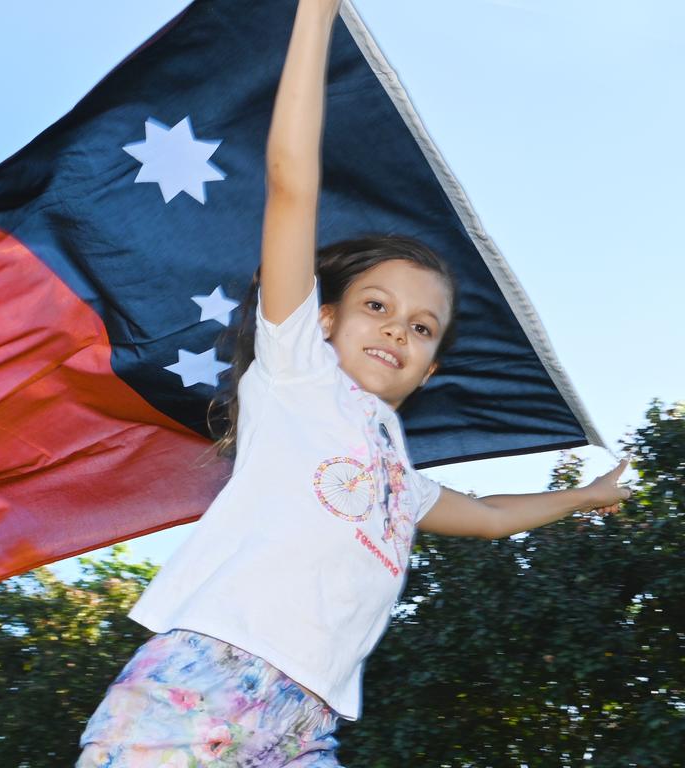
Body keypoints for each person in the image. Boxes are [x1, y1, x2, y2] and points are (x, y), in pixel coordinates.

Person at [75, 1, 631, 765]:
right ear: (326, 319)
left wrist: (584, 497)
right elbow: (291, 184)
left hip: (306, 721)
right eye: (378, 307)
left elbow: (494, 515)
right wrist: (315, 17)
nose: (400, 328)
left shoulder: (397, 477)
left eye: (422, 327)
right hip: (203, 680)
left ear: (430, 369)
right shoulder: (297, 373)